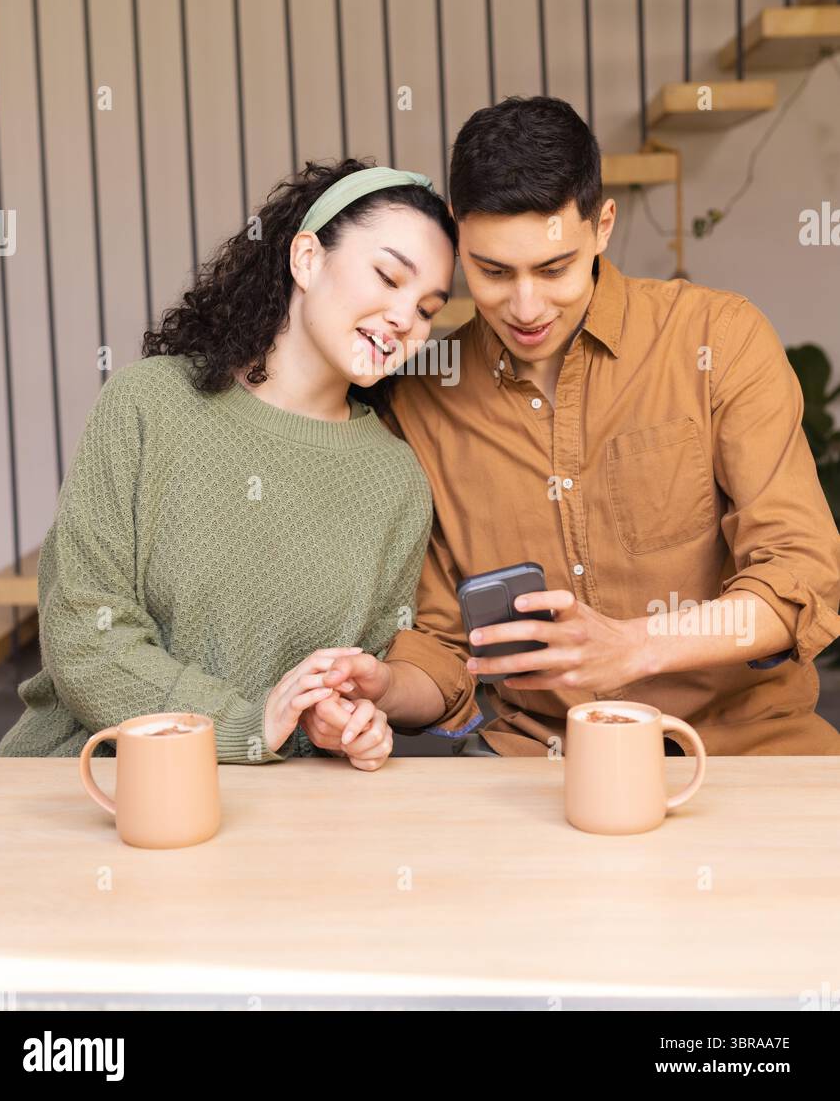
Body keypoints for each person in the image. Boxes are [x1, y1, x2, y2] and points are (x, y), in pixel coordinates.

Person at [301, 97, 840, 758]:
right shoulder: (423, 399)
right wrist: (377, 688)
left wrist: (634, 646)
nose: (524, 307)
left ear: (602, 225)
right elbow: (442, 648)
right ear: (460, 240)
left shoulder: (716, 339)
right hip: (542, 761)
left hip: (747, 748)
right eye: (493, 272)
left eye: (553, 268)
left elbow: (798, 572)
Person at [0, 159, 460, 769]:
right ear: (306, 259)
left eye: (429, 308)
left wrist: (341, 720)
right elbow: (86, 634)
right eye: (387, 277)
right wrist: (244, 724)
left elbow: (344, 681)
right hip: (90, 785)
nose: (406, 320)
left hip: (276, 811)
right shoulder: (148, 405)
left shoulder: (395, 481)